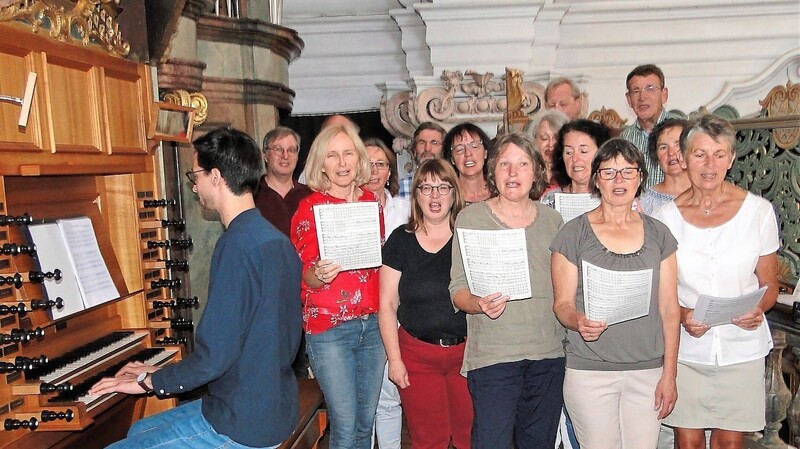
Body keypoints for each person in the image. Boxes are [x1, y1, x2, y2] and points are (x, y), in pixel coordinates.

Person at [90, 127, 303, 449]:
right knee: (138, 433)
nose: (194, 186)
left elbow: (215, 357)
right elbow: (249, 341)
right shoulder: (274, 239)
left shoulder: (237, 246)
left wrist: (148, 381)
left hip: (242, 421)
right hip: (270, 402)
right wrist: (161, 372)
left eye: (196, 174)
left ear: (216, 176)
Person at [653, 115, 779, 449]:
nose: (710, 164)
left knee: (730, 442)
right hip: (687, 349)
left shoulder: (759, 212)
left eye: (719, 154)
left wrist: (758, 309)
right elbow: (661, 292)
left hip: (741, 345)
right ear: (684, 157)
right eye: (700, 154)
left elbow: (770, 284)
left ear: (731, 158)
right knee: (688, 441)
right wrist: (683, 315)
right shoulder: (665, 219)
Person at [550, 138, 680, 448]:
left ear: (640, 178)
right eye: (608, 172)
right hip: (590, 371)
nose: (618, 180)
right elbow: (562, 304)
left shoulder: (659, 234)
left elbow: (670, 310)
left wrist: (670, 375)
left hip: (648, 370)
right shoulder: (573, 233)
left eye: (627, 171)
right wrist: (578, 321)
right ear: (596, 179)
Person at [450, 133, 566, 449]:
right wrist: (478, 304)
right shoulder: (471, 218)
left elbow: (566, 289)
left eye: (522, 164)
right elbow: (458, 289)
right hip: (493, 357)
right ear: (493, 171)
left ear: (536, 172)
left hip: (547, 355)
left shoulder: (553, 221)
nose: (513, 174)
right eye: (505, 164)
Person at [291, 123, 385, 449]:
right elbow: (305, 276)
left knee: (365, 423)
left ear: (359, 159)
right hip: (329, 329)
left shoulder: (372, 203)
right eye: (333, 155)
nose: (342, 162)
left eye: (348, 153)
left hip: (373, 327)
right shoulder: (309, 207)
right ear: (321, 164)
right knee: (344, 427)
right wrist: (320, 272)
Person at [380, 159, 472, 449]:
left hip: (467, 355)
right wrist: (395, 360)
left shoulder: (469, 237)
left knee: (469, 438)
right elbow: (386, 304)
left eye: (443, 187)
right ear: (416, 194)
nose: (435, 196)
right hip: (417, 356)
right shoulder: (400, 240)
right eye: (427, 188)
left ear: (454, 193)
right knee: (427, 440)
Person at [363, 137, 410, 449]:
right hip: (360, 313)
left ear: (390, 171)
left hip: (396, 311)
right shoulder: (346, 211)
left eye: (381, 164)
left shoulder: (405, 210)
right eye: (367, 164)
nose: (374, 171)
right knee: (364, 402)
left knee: (390, 396)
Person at [254, 126, 312, 236]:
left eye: (291, 150)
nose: (285, 156)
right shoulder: (251, 196)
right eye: (278, 150)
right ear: (265, 156)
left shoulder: (309, 197)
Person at [540, 119, 612, 208]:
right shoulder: (550, 200)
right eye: (569, 152)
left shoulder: (614, 199)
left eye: (583, 151)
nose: (574, 158)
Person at [621, 64, 672, 188]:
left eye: (650, 89)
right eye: (636, 91)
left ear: (664, 94)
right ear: (628, 99)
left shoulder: (681, 134)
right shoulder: (624, 139)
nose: (642, 97)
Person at [639, 118, 690, 215]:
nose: (671, 153)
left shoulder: (708, 195)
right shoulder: (644, 203)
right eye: (663, 147)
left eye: (678, 145)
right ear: (657, 157)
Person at [443, 122, 492, 204]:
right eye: (460, 149)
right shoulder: (446, 198)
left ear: (485, 152)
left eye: (474, 146)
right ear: (452, 159)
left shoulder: (500, 193)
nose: (468, 154)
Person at [398, 122, 446, 199]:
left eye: (434, 142)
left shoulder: (453, 184)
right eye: (422, 142)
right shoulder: (400, 187)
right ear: (414, 149)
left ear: (443, 149)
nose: (427, 148)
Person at [526, 110, 569, 191]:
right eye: (544, 138)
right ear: (533, 140)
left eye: (556, 138)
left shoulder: (571, 173)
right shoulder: (527, 173)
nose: (550, 144)